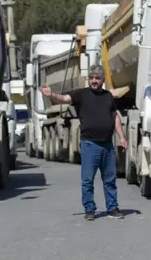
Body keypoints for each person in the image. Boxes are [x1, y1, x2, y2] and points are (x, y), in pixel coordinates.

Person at [41, 64, 127, 221]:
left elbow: (115, 117)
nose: (94, 81)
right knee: (88, 180)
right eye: (92, 78)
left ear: (102, 80)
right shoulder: (82, 94)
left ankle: (112, 208)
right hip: (90, 144)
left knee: (110, 179)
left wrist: (121, 136)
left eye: (97, 78)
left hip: (107, 145)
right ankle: (89, 209)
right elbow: (65, 98)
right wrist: (51, 94)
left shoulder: (108, 96)